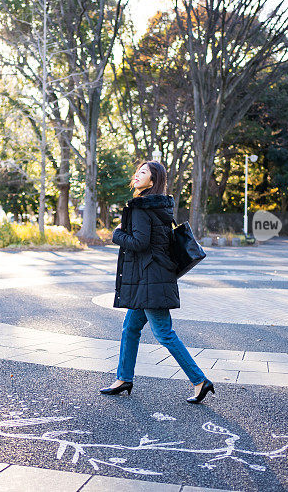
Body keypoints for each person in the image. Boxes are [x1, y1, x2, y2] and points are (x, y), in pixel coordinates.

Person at [100, 160, 214, 404]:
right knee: (130, 328)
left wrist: (117, 234)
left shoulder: (141, 207)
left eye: (144, 172)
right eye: (138, 171)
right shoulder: (159, 205)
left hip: (151, 279)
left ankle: (200, 380)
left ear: (153, 181)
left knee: (164, 333)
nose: (137, 174)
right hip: (150, 278)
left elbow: (140, 243)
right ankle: (124, 378)